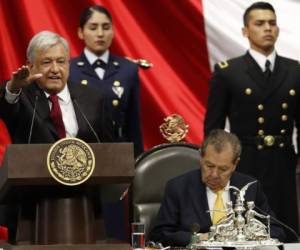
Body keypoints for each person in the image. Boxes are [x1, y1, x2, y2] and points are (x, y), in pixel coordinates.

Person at [0, 30, 114, 242]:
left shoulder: (92, 97)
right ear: (31, 66)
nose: (55, 69)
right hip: (31, 208)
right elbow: (6, 108)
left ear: (69, 65)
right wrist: (13, 87)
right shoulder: (22, 96)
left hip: (85, 205)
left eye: (61, 61)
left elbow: (108, 146)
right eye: (46, 62)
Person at [204, 1, 299, 241]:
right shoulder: (228, 71)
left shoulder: (294, 70)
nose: (268, 28)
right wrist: (216, 167)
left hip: (283, 160)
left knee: (285, 228)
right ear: (245, 31)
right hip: (245, 162)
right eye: (259, 23)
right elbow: (214, 128)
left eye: (272, 23)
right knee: (245, 228)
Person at [148, 129, 285, 247]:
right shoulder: (178, 187)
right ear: (201, 158)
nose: (214, 175)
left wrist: (242, 236)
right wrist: (200, 238)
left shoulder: (250, 187)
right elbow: (159, 235)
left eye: (223, 169)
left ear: (235, 164)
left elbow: (276, 230)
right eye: (209, 166)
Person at [69, 5, 143, 157]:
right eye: (93, 27)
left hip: (119, 151)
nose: (100, 34)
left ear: (113, 31)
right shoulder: (69, 69)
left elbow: (133, 123)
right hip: (80, 152)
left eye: (106, 27)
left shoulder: (128, 69)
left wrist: (137, 160)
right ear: (80, 32)